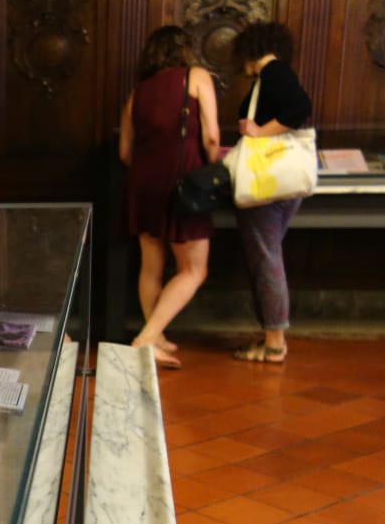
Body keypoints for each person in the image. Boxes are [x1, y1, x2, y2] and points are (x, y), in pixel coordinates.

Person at [120, 26, 221, 369]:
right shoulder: (196, 77)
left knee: (151, 266)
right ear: (184, 51)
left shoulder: (138, 92)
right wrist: (214, 171)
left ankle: (156, 337)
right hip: (183, 184)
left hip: (142, 184)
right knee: (193, 269)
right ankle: (147, 338)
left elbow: (124, 152)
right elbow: (210, 138)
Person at [230, 21, 313, 364]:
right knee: (269, 255)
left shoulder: (273, 71)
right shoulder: (276, 74)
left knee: (266, 259)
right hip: (278, 183)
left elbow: (299, 107)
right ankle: (271, 335)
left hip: (267, 185)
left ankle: (275, 341)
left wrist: (259, 131)